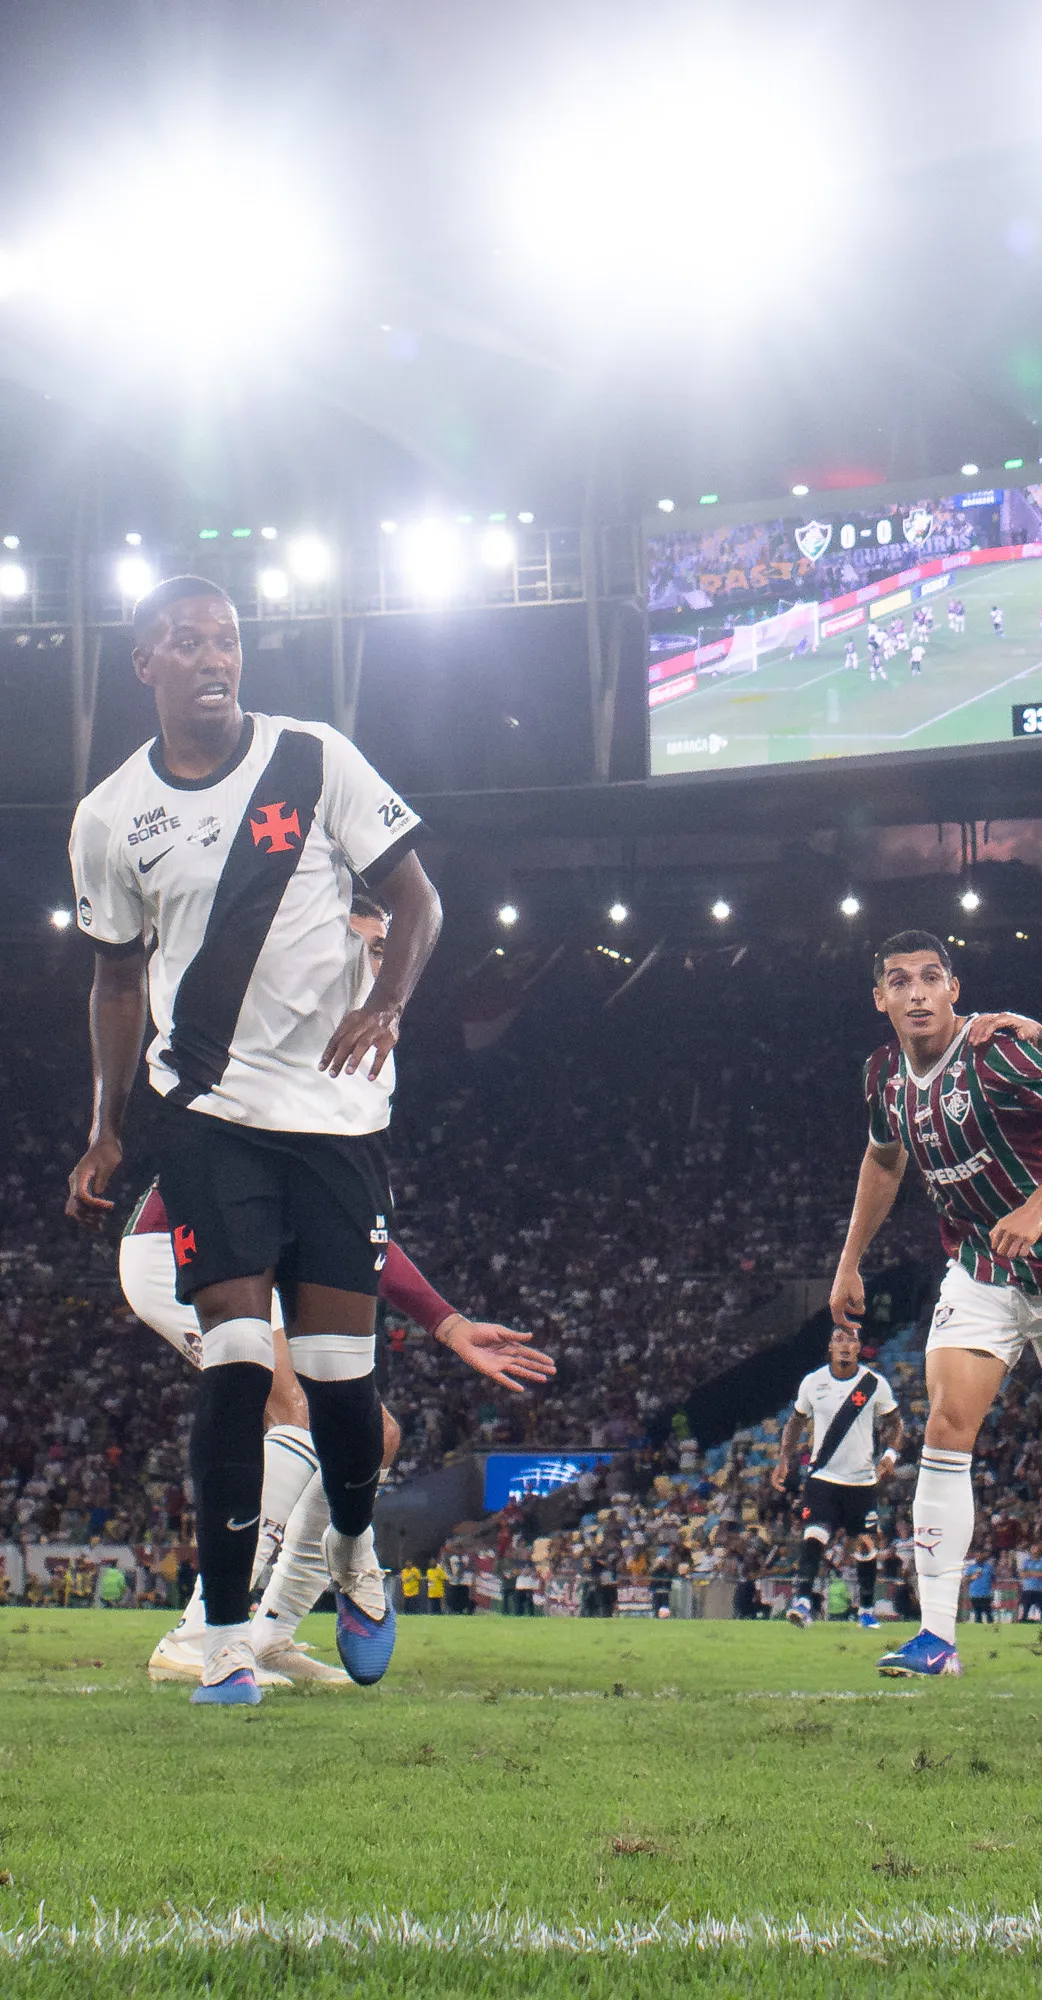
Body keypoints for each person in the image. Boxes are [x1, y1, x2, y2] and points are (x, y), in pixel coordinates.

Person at [67, 576, 443, 1706]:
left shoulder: (314, 757)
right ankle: (224, 1639)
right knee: (238, 1369)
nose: (214, 657)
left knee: (341, 1389)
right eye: (187, 642)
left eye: (226, 639)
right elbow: (116, 979)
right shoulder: (109, 816)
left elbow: (419, 901)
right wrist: (106, 1128)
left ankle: (356, 1548)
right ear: (147, 664)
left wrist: (389, 1003)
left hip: (332, 1118)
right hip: (209, 1113)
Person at [831, 931, 1042, 1679]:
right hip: (981, 1272)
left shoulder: (998, 1052)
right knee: (946, 1426)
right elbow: (884, 1158)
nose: (917, 993)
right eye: (900, 981)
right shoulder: (883, 1073)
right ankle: (937, 1637)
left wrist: (1039, 1207)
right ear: (880, 998)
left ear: (954, 989)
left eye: (931, 977)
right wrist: (850, 1259)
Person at [124, 1174, 551, 1685]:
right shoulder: (321, 1131)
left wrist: (448, 1323)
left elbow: (361, 1234)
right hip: (184, 1245)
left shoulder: (346, 1144)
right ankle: (202, 1635)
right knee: (300, 1413)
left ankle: (271, 1636)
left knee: (374, 1436)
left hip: (256, 1254)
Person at [771, 1324, 902, 1630]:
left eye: (850, 1340)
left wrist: (890, 1456)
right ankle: (803, 1603)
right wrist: (783, 1460)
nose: (844, 1345)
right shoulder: (813, 1382)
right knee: (814, 1534)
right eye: (838, 1340)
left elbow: (896, 1423)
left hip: (861, 1480)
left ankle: (866, 1610)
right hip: (823, 1477)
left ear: (858, 1347)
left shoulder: (873, 1384)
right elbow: (795, 1421)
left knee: (865, 1545)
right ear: (830, 1347)